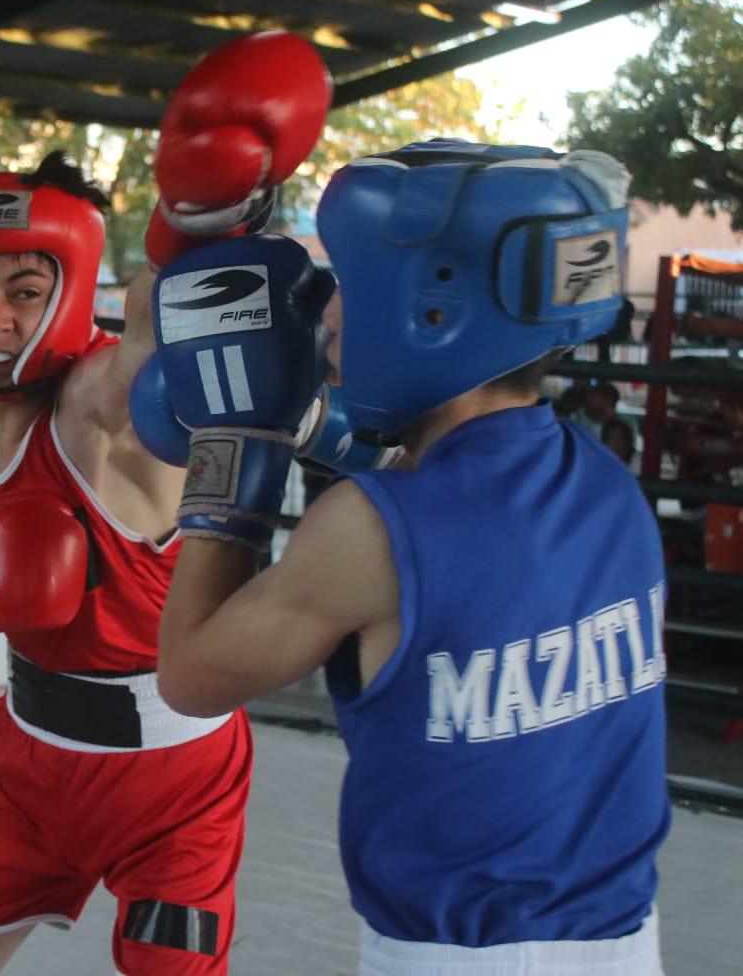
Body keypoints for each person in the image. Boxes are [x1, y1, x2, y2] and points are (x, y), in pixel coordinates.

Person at [152, 140, 668, 974]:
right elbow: (464, 516)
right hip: (623, 940)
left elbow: (188, 677)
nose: (327, 314)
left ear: (437, 308)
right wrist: (315, 429)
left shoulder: (369, 530)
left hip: (455, 957)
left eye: (352, 286)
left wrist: (232, 444)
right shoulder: (606, 485)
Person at [0, 129, 303, 970]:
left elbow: (161, 335)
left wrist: (201, 207)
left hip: (176, 783)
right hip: (24, 769)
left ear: (72, 289)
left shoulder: (101, 399)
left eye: (26, 289)